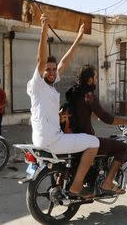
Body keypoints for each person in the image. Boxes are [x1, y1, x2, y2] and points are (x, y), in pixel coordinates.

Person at [27, 13, 99, 198]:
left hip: (46, 138)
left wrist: (78, 38)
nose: (51, 72)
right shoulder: (37, 84)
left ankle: (67, 179)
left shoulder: (50, 85)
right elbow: (40, 60)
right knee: (94, 142)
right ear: (41, 71)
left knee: (78, 137)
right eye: (48, 70)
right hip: (52, 140)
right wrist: (44, 28)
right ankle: (76, 186)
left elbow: (65, 62)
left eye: (53, 69)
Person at [66, 65, 127, 195]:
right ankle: (108, 182)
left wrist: (93, 113)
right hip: (87, 139)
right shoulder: (89, 96)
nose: (97, 79)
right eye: (96, 77)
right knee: (122, 147)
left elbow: (81, 111)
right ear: (90, 80)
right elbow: (107, 118)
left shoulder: (74, 93)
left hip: (72, 137)